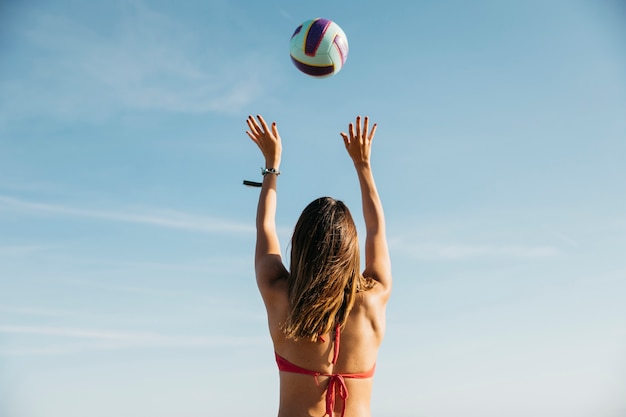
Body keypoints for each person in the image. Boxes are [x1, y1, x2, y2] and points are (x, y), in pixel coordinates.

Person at [245, 115, 392, 417]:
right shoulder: (373, 299)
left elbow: (265, 228)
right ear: (351, 251)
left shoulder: (280, 295)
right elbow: (377, 229)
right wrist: (363, 164)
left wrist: (272, 165)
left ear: (299, 245)